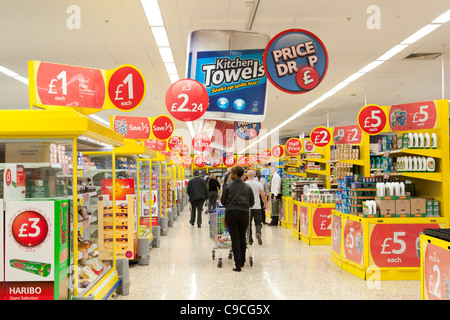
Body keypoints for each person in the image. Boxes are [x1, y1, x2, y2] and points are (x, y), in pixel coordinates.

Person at [220, 166, 254, 272]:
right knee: (242, 237)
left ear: (235, 174)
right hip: (244, 213)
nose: (230, 175)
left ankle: (238, 264)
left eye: (232, 173)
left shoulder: (227, 186)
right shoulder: (247, 187)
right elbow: (252, 202)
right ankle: (243, 261)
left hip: (231, 213)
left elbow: (222, 201)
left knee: (235, 238)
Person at [245, 170, 268, 245]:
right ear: (254, 175)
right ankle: (258, 232)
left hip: (248, 207)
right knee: (258, 222)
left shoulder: (245, 184)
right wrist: (265, 204)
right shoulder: (258, 184)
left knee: (248, 224)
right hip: (257, 206)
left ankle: (250, 239)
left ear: (247, 175)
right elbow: (263, 196)